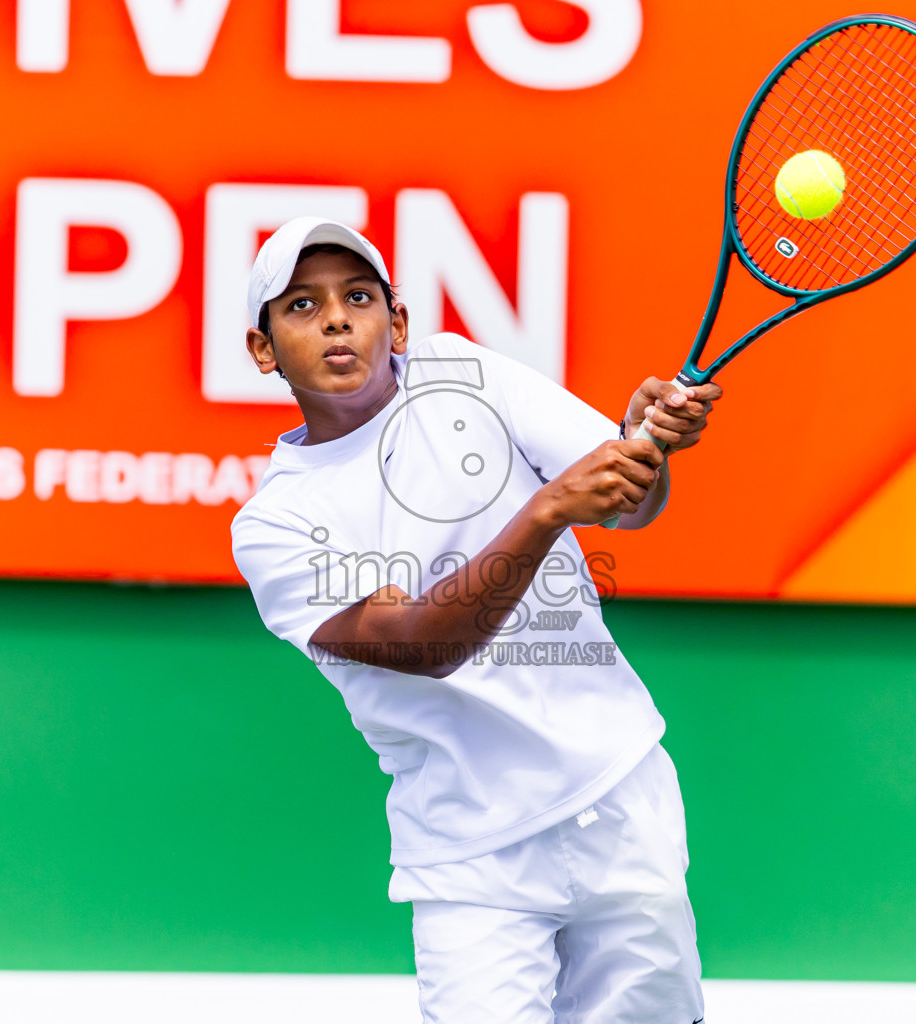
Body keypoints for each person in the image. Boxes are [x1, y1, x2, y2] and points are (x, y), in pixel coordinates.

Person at [230, 217, 721, 1023]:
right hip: (469, 851)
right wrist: (549, 509)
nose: (337, 319)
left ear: (398, 325)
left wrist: (641, 455)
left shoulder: (464, 371)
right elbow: (419, 644)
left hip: (616, 788)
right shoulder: (275, 524)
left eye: (359, 297)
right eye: (302, 306)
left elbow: (630, 508)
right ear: (264, 348)